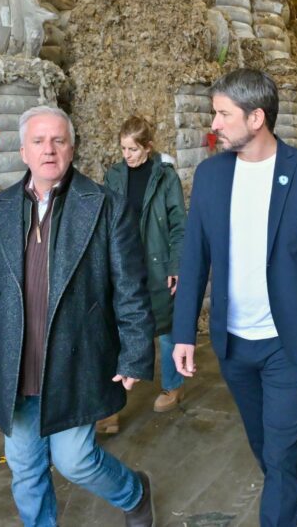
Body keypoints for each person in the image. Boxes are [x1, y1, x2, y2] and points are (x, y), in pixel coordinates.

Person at [0, 106, 156, 527]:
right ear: (23, 152)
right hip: (17, 365)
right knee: (26, 467)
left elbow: (129, 288)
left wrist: (134, 352)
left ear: (71, 148)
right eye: (38, 141)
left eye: (58, 140)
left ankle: (134, 493)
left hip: (75, 359)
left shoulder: (106, 207)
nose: (49, 150)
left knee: (75, 460)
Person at [172, 68, 297, 527]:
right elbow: (194, 259)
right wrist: (183, 333)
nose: (214, 124)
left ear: (256, 118)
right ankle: (294, 504)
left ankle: (282, 513)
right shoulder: (210, 175)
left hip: (289, 344)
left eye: (223, 114)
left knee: (283, 453)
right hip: (234, 344)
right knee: (266, 447)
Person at [101, 116, 187, 434]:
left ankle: (173, 386)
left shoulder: (165, 177)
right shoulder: (113, 175)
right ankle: (111, 405)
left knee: (165, 327)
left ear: (148, 147)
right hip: (124, 263)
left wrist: (176, 265)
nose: (127, 155)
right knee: (117, 330)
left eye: (133, 149)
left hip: (157, 261)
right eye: (123, 149)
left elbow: (179, 224)